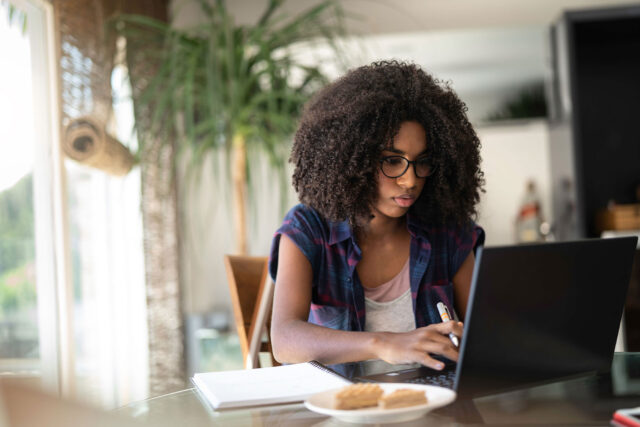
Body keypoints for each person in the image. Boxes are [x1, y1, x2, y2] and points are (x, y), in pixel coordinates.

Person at [268, 61, 485, 370]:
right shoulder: (309, 229)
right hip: (343, 408)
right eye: (392, 161)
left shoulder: (448, 232)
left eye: (421, 161)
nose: (410, 180)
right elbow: (285, 340)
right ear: (351, 160)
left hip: (435, 404)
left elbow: (484, 335)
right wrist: (384, 343)